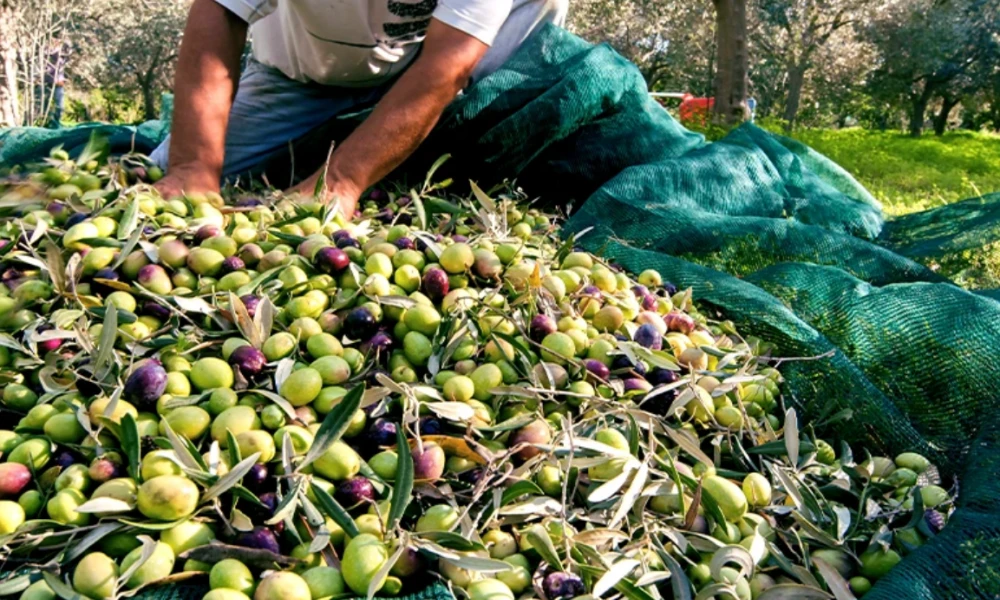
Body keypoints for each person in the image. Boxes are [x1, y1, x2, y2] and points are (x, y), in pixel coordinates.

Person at [152, 0, 569, 217]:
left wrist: (341, 180)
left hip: (413, 69)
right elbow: (220, 11)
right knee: (168, 166)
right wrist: (193, 166)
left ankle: (440, 135)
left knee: (477, 146)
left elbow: (448, 63)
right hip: (298, 79)